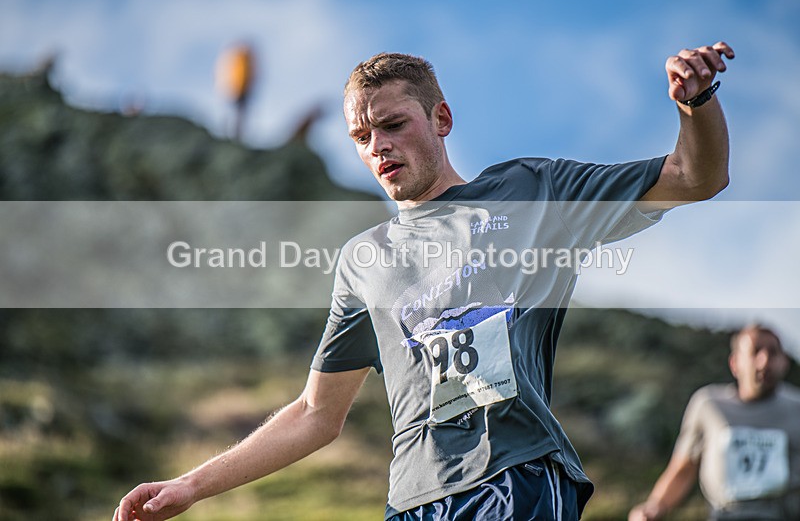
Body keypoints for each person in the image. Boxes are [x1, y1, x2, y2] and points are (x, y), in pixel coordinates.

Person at [114, 41, 735, 521]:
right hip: (413, 499)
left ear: (440, 117)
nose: (378, 146)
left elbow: (694, 177)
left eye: (392, 125)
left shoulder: (530, 190)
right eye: (362, 136)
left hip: (515, 478)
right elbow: (314, 414)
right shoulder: (364, 259)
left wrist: (694, 103)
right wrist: (189, 486)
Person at [629, 325, 800, 521]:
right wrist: (654, 507)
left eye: (773, 352)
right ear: (735, 363)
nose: (765, 361)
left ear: (785, 362)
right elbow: (684, 468)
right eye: (755, 352)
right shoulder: (709, 405)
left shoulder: (797, 409)